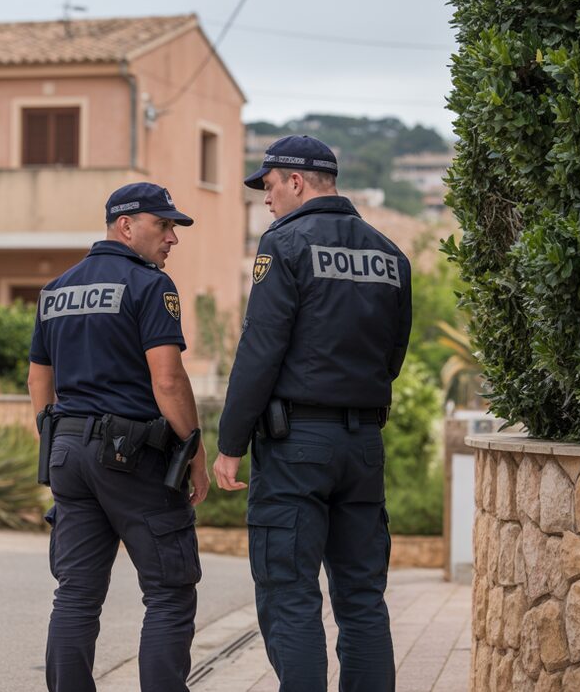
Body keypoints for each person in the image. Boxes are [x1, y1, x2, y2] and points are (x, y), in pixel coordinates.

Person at [213, 135, 412, 691]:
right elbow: (393, 354)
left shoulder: (285, 244)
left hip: (296, 445)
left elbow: (259, 352)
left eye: (270, 186)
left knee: (290, 592)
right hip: (362, 446)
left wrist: (230, 444)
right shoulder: (389, 253)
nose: (266, 200)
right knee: (362, 597)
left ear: (296, 182)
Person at [28, 181, 209, 692]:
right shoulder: (150, 286)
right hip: (131, 454)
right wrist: (194, 453)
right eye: (163, 225)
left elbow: (39, 382)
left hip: (67, 449)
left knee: (77, 594)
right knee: (170, 591)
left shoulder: (57, 288)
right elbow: (168, 379)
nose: (172, 237)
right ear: (126, 225)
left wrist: (57, 437)